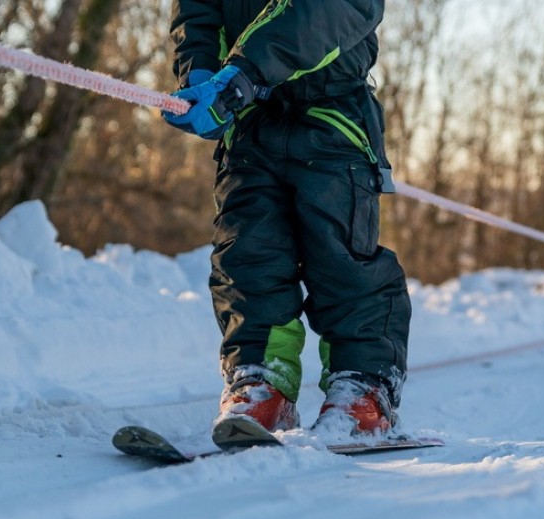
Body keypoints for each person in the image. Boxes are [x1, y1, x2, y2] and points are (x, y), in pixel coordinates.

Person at [162, 0, 411, 440]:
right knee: (247, 256)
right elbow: (197, 9)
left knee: (341, 259)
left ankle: (363, 386)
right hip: (248, 120)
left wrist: (246, 69)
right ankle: (263, 381)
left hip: (332, 114)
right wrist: (200, 71)